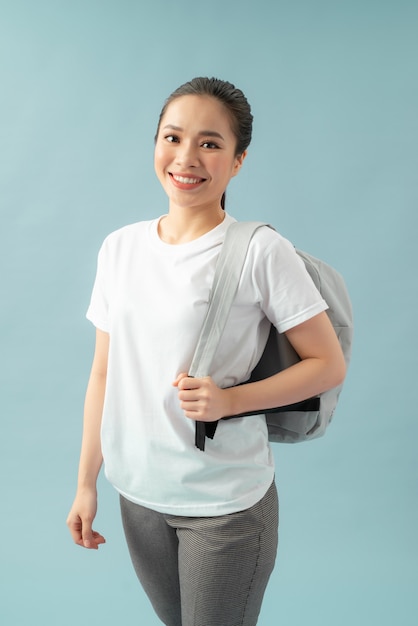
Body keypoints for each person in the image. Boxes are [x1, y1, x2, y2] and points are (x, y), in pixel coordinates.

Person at [67, 76, 346, 626]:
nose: (186, 157)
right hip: (138, 495)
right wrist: (85, 484)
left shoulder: (261, 251)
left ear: (238, 161)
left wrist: (229, 402)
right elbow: (104, 374)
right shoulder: (119, 248)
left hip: (224, 506)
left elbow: (327, 363)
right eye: (172, 137)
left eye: (210, 143)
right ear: (155, 145)